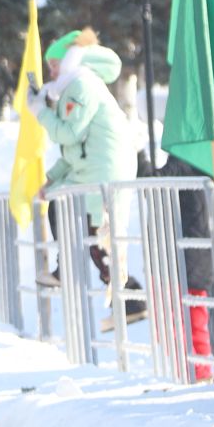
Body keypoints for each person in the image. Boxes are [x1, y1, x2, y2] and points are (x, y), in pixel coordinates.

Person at [33, 29, 140, 310]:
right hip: (95, 168)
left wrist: (40, 113)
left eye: (54, 65)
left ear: (68, 61)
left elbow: (69, 134)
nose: (51, 73)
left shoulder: (82, 85)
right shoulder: (75, 86)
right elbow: (75, 149)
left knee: (101, 237)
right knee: (98, 238)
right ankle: (128, 300)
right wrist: (51, 179)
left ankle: (125, 297)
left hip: (103, 171)